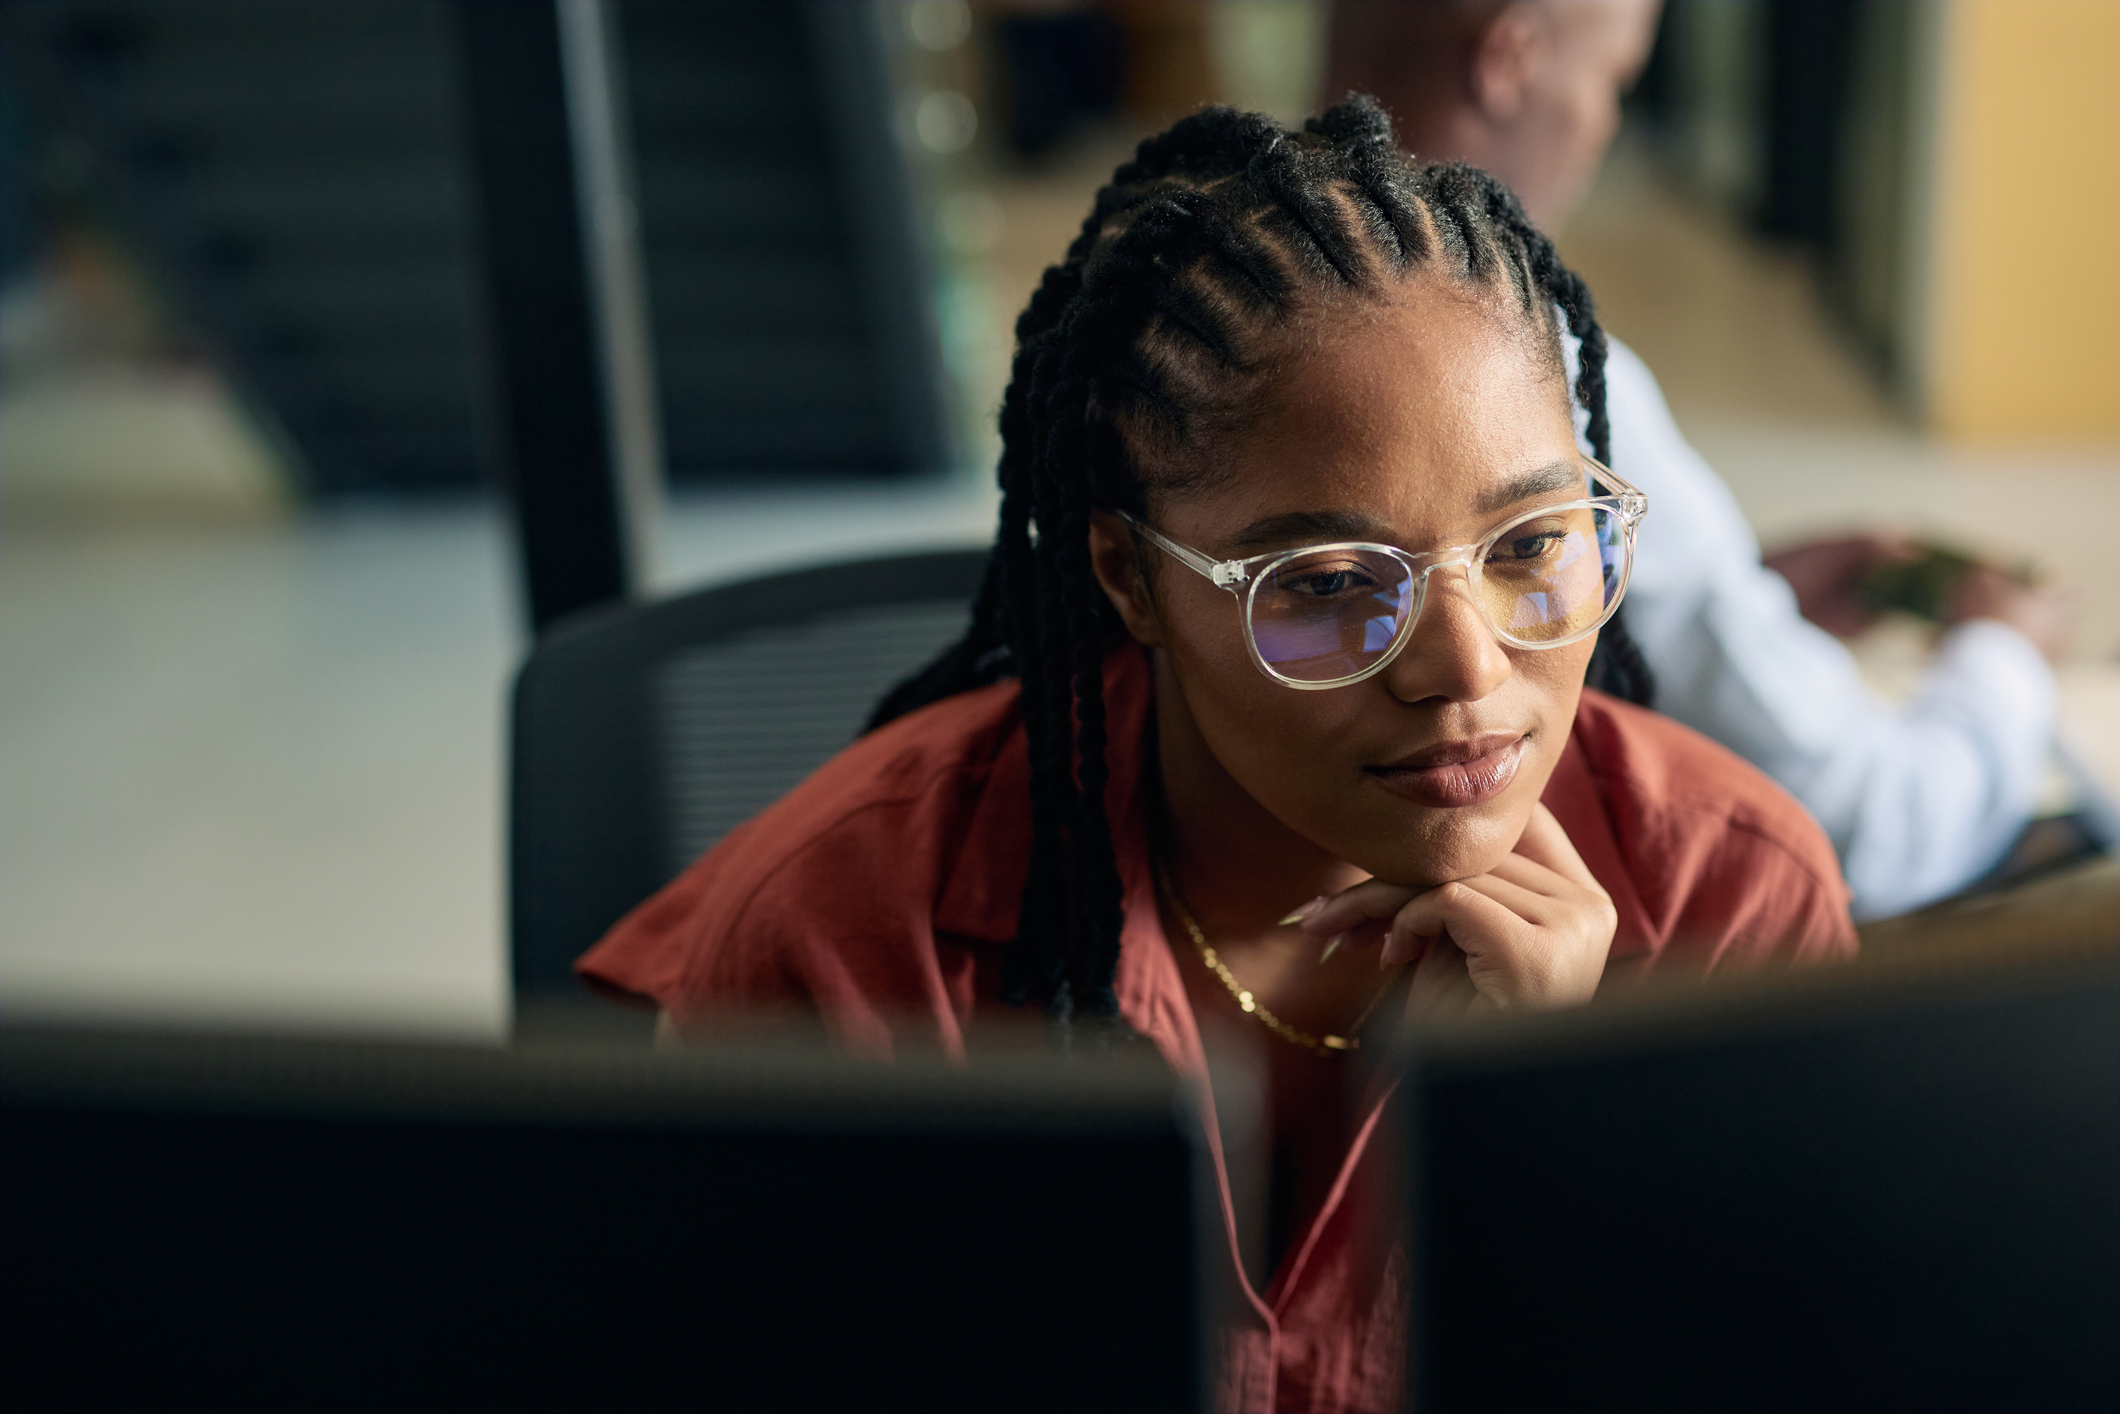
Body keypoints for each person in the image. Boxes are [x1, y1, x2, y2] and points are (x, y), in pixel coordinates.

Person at [581, 99, 1854, 1412]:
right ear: (1131, 578)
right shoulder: (851, 943)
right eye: (1331, 580)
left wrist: (1541, 1123)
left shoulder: (1731, 904)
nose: (1466, 670)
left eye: (1532, 544)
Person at [1326, 0, 2073, 919]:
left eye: (1530, 548)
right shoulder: (1536, 374)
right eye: (1613, 81)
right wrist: (2005, 654)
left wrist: (1738, 592)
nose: (1601, 126)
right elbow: (1866, 824)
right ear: (1511, 58)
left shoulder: (1204, 305)